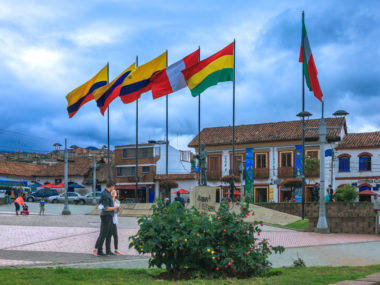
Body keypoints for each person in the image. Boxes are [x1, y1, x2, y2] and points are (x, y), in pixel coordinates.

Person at [93, 181, 119, 256]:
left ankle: (108, 251)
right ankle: (99, 251)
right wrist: (115, 207)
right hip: (106, 216)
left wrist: (114, 198)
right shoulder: (105, 194)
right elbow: (106, 208)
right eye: (113, 187)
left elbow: (109, 204)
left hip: (110, 216)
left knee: (109, 233)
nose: (114, 188)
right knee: (103, 234)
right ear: (111, 186)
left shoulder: (108, 194)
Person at [111, 189, 122, 255]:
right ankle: (105, 250)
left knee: (115, 235)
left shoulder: (117, 201)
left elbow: (116, 212)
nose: (113, 193)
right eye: (112, 192)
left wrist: (118, 209)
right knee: (107, 236)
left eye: (114, 192)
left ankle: (116, 250)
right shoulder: (108, 201)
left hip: (114, 220)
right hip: (108, 220)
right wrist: (115, 208)